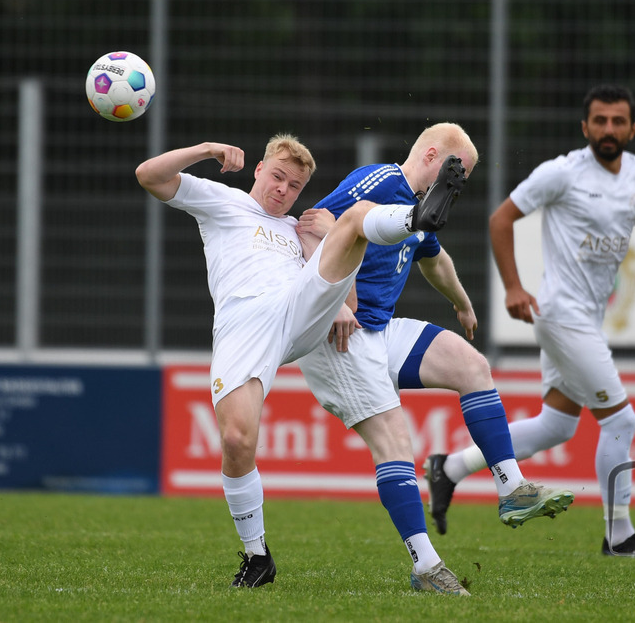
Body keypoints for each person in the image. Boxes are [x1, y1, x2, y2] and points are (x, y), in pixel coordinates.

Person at [134, 133, 467, 589]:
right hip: (245, 325)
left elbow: (339, 272)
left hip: (297, 310)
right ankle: (257, 557)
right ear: (259, 170)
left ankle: (415, 217)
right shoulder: (223, 201)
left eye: (293, 185)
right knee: (236, 440)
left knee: (347, 220)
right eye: (277, 177)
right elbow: (148, 175)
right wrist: (208, 151)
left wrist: (341, 295)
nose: (283, 191)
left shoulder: (297, 225)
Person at [296, 123, 574, 595]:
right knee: (396, 446)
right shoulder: (382, 181)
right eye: (455, 173)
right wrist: (335, 300)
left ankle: (512, 489)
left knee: (472, 366)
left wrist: (462, 303)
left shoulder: (420, 209)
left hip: (379, 331)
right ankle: (426, 568)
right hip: (338, 339)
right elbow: (312, 220)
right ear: (431, 156)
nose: (457, 186)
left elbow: (434, 259)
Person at [424, 86, 635, 557]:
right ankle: (618, 537)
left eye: (617, 121)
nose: (608, 129)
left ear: (632, 129)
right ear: (585, 128)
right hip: (562, 316)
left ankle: (448, 468)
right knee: (620, 420)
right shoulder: (562, 173)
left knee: (555, 426)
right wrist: (514, 287)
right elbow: (501, 220)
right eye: (599, 121)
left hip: (587, 319)